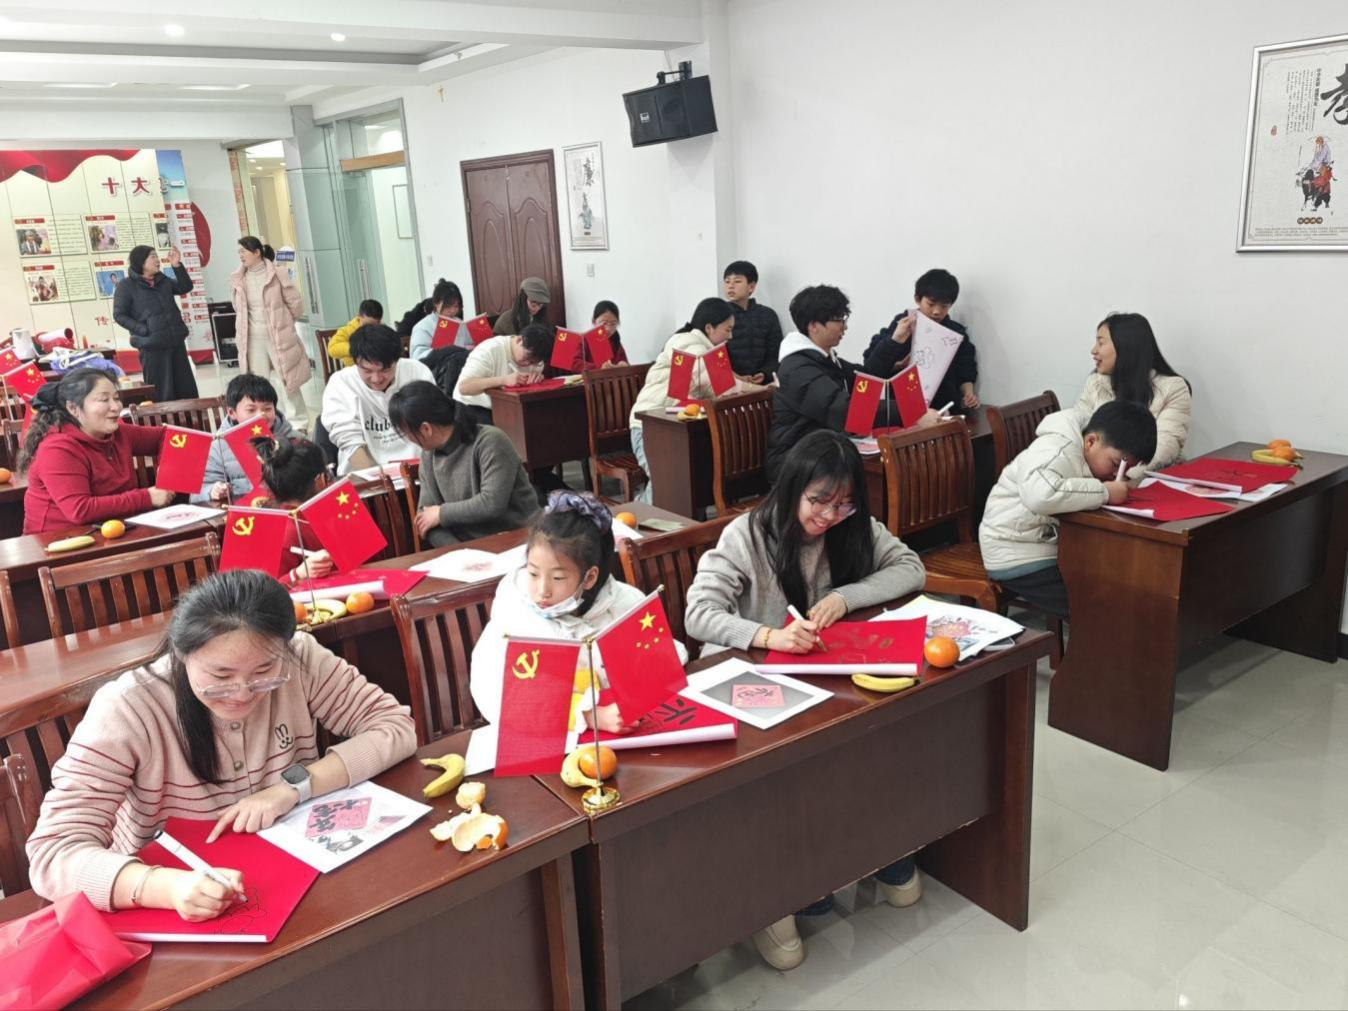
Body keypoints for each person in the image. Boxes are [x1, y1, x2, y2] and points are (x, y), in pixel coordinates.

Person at [24, 569, 416, 912]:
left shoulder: (300, 659)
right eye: (220, 676)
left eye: (264, 669)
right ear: (182, 653)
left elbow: (394, 726)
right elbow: (52, 852)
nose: (243, 693)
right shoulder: (129, 707)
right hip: (178, 899)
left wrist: (293, 788)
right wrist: (164, 887)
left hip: (297, 881)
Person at [684, 430, 927, 970]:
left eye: (844, 504)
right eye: (819, 501)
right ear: (793, 487)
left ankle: (873, 851)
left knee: (877, 740)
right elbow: (697, 614)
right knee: (792, 773)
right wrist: (766, 635)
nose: (829, 515)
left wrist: (845, 596)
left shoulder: (852, 526)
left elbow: (911, 567)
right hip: (755, 682)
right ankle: (785, 892)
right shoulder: (748, 534)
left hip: (823, 678)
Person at [470, 491, 687, 728]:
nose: (542, 590)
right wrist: (589, 717)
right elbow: (496, 696)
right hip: (554, 738)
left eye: (558, 578)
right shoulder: (515, 616)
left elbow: (664, 661)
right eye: (533, 573)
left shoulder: (624, 604)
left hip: (624, 728)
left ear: (590, 577)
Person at [978, 401, 1156, 618]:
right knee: (1094, 608)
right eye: (1116, 464)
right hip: (1016, 553)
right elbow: (1040, 496)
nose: (1117, 474)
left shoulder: (1086, 451)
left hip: (1050, 547)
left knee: (1119, 582)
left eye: (1127, 469)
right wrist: (1104, 492)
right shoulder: (1055, 450)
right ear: (1091, 442)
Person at [768, 284, 938, 481]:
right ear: (814, 326)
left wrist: (895, 342)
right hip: (797, 458)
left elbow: (865, 379)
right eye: (839, 320)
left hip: (824, 447)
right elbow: (844, 410)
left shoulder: (824, 359)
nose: (845, 327)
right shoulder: (798, 369)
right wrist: (912, 411)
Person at [627, 298, 766, 502]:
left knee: (685, 484)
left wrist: (744, 383)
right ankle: (635, 515)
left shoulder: (705, 349)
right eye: (727, 330)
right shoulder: (687, 344)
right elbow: (722, 385)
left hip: (678, 426)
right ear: (709, 328)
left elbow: (717, 386)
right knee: (668, 486)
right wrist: (763, 390)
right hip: (650, 427)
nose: (731, 336)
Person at [18, 368, 173, 534]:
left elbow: (169, 437)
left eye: (116, 398)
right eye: (104, 399)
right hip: (60, 541)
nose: (115, 407)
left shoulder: (120, 433)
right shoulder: (57, 448)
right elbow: (80, 510)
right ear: (73, 408)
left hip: (117, 531)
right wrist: (147, 497)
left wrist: (168, 477)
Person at [389, 381, 540, 547]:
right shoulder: (428, 456)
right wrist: (462, 551)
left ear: (426, 429)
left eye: (407, 432)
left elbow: (492, 503)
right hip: (467, 551)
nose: (408, 439)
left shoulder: (490, 441)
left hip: (519, 541)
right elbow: (425, 520)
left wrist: (441, 514)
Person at [1071, 312, 1191, 472]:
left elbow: (1165, 447)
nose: (1094, 350)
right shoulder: (1095, 382)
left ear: (1126, 346)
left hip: (1150, 476)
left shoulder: (1173, 388)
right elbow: (1079, 433)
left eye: (1101, 343)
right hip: (1098, 477)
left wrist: (1123, 477)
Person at [863, 268, 979, 414]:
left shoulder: (955, 333)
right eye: (931, 304)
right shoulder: (902, 324)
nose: (937, 312)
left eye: (944, 306)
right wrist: (895, 351)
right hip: (901, 409)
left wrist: (968, 393)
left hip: (943, 408)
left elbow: (966, 368)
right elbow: (870, 365)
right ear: (918, 299)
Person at [321, 323, 433, 474]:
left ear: (397, 360)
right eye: (367, 371)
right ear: (355, 362)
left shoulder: (416, 371)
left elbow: (431, 425)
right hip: (364, 474)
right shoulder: (341, 383)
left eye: (385, 370)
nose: (376, 378)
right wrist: (376, 480)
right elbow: (350, 441)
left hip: (417, 470)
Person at [230, 236, 312, 433]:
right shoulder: (238, 278)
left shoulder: (277, 273)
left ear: (257, 252)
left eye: (243, 251)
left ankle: (299, 423)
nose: (240, 255)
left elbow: (295, 303)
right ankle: (263, 422)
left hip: (278, 335)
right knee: (258, 383)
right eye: (239, 252)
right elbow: (237, 307)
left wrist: (284, 324)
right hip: (252, 339)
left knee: (288, 380)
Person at [194, 374, 301, 505]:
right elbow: (197, 493)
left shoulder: (295, 439)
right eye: (251, 410)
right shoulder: (219, 448)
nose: (260, 416)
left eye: (267, 409)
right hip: (246, 512)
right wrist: (212, 491)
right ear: (232, 413)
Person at [112, 244, 198, 401]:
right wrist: (144, 330)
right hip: (151, 347)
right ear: (140, 262)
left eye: (157, 256)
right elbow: (119, 315)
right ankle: (164, 417)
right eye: (153, 256)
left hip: (175, 342)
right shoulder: (126, 286)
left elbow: (185, 287)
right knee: (161, 392)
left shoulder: (162, 280)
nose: (157, 260)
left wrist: (176, 265)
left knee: (185, 389)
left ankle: (190, 416)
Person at [253, 438, 335, 585]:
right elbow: (265, 592)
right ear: (320, 480)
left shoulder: (329, 511)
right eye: (327, 472)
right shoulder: (286, 532)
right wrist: (297, 574)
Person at [452, 322, 555, 423]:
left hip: (508, 407)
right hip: (472, 406)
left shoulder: (538, 361)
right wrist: (504, 380)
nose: (528, 364)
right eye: (527, 358)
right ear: (519, 340)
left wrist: (538, 379)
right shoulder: (490, 350)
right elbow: (464, 388)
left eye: (533, 362)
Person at [722, 260, 784, 383]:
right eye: (727, 281)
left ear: (751, 287)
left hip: (762, 384)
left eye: (737, 281)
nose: (730, 286)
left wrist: (765, 374)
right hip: (729, 383)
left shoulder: (768, 315)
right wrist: (735, 377)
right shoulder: (719, 314)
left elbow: (776, 354)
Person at [409, 280, 468, 361]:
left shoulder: (459, 323)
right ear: (436, 303)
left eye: (456, 306)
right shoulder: (422, 327)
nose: (452, 311)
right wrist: (443, 352)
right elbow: (418, 356)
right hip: (436, 367)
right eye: (448, 307)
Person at [326, 299, 383, 370]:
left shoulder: (382, 328)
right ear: (359, 316)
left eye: (374, 325)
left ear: (379, 322)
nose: (369, 328)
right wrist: (356, 348)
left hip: (377, 367)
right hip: (354, 369)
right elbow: (332, 348)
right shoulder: (347, 330)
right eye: (366, 324)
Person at [591, 300, 629, 366]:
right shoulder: (585, 341)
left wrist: (624, 365)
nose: (608, 328)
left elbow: (624, 363)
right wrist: (599, 367)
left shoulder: (615, 341)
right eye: (604, 323)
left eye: (613, 324)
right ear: (594, 322)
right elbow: (576, 364)